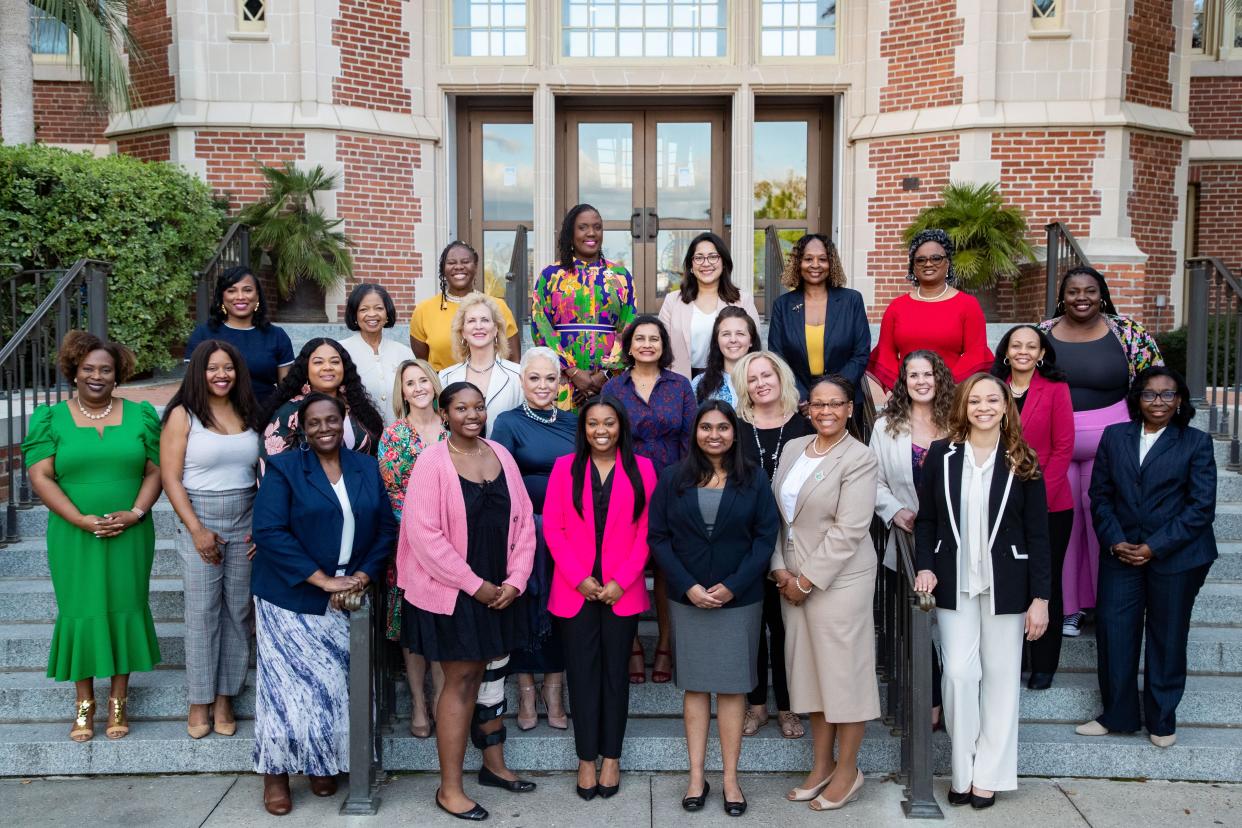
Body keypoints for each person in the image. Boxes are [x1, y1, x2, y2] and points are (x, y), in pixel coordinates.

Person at [250, 394, 398, 816]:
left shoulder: (366, 467)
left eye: (331, 420)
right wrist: (323, 580)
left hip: (347, 598)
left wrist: (364, 575)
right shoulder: (285, 469)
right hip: (290, 597)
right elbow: (270, 531)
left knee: (332, 689)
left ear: (343, 420)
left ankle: (321, 764)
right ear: (302, 426)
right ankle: (275, 776)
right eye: (314, 422)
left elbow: (386, 528)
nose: (324, 428)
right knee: (283, 693)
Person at [397, 382, 538, 821]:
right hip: (454, 591)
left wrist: (515, 580)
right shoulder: (432, 461)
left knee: (494, 675)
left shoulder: (501, 454)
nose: (472, 414)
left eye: (478, 407)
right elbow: (423, 534)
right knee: (461, 681)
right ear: (444, 413)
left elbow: (524, 522)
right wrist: (473, 584)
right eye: (461, 408)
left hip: (501, 589)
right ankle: (450, 789)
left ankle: (494, 767)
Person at [913, 373, 1051, 810]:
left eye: (993, 399)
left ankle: (988, 775)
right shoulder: (941, 454)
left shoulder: (1022, 458)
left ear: (1005, 406)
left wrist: (1041, 598)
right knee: (957, 674)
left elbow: (1040, 535)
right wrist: (925, 566)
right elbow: (928, 520)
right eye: (976, 400)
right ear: (964, 407)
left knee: (1001, 679)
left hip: (1008, 585)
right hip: (955, 583)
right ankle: (962, 769)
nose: (984, 407)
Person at [22, 331, 163, 743]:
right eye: (89, 369)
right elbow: (40, 475)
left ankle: (119, 699)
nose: (97, 376)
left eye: (106, 369)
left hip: (130, 531)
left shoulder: (141, 416)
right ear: (74, 371)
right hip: (73, 533)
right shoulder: (50, 418)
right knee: (80, 611)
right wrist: (80, 519)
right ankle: (84, 704)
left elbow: (155, 470)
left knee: (125, 605)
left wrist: (137, 513)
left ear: (118, 375)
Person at [649, 400, 780, 817]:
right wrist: (687, 586)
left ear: (734, 433)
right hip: (687, 600)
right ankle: (695, 776)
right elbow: (658, 538)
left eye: (722, 428)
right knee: (695, 687)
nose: (714, 435)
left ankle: (729, 779)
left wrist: (733, 586)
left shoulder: (755, 479)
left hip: (738, 600)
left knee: (731, 688)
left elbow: (765, 538)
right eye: (706, 427)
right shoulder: (673, 478)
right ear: (695, 433)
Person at [1077, 367, 1216, 749]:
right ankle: (1118, 715)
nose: (1159, 402)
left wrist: (1154, 546)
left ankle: (1161, 718)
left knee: (1167, 635)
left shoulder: (1196, 443)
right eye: (1150, 394)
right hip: (1120, 550)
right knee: (1114, 631)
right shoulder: (1115, 436)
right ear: (1137, 399)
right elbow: (1100, 496)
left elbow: (1200, 508)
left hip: (1177, 556)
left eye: (1167, 395)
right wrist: (1115, 539)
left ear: (1180, 400)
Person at [770, 376, 880, 812]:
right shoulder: (795, 448)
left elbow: (850, 528)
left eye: (836, 403)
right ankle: (820, 766)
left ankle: (849, 771)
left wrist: (806, 580)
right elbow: (779, 514)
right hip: (792, 578)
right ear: (807, 409)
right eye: (818, 404)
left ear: (850, 409)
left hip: (839, 581)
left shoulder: (859, 458)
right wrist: (779, 567)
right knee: (811, 675)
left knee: (844, 676)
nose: (827, 411)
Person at [1038, 266, 1163, 638]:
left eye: (1090, 291)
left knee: (1104, 518)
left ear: (1102, 294)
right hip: (1055, 444)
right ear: (1062, 296)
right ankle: (1069, 608)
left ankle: (1107, 602)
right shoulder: (1043, 333)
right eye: (1073, 291)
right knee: (1065, 520)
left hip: (1112, 443)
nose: (1082, 298)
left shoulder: (1127, 331)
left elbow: (1155, 380)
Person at [543, 396, 657, 800]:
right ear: (583, 429)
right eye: (593, 423)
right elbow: (554, 531)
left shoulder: (642, 469)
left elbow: (647, 532)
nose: (601, 430)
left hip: (619, 593)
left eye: (609, 422)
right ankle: (586, 759)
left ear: (621, 426)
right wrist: (580, 579)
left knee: (614, 676)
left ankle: (612, 757)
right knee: (583, 676)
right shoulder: (564, 469)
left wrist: (622, 581)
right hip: (575, 592)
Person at [160, 340, 260, 739]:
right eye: (212, 368)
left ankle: (225, 698)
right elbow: (170, 477)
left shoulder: (249, 411)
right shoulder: (183, 415)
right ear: (198, 372)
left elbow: (261, 469)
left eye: (228, 368)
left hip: (246, 515)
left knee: (238, 611)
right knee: (202, 612)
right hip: (198, 514)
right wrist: (197, 530)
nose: (221, 375)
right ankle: (198, 700)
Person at [602, 315, 696, 685]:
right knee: (627, 567)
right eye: (639, 338)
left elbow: (691, 439)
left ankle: (665, 648)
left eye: (653, 339)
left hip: (673, 485)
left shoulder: (680, 386)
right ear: (628, 346)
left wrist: (690, 485)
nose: (646, 344)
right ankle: (633, 648)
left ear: (663, 345)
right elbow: (604, 435)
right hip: (624, 486)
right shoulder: (614, 388)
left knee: (668, 570)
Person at [490, 347, 578, 732]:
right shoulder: (507, 423)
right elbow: (500, 480)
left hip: (569, 531)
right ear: (522, 381)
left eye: (550, 378)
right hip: (522, 531)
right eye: (534, 378)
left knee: (561, 606)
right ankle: (526, 690)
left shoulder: (576, 423)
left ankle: (554, 689)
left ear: (560, 383)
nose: (543, 385)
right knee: (525, 607)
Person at [731, 351, 814, 740]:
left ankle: (788, 707)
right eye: (752, 378)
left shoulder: (805, 424)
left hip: (795, 539)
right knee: (751, 626)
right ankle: (757, 705)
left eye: (767, 374)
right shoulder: (736, 426)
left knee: (786, 628)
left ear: (780, 377)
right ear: (743, 386)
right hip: (746, 540)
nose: (761, 382)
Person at [869, 350, 954, 725]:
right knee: (914, 625)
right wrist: (893, 510)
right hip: (907, 539)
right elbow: (872, 478)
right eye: (913, 375)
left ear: (940, 379)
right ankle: (931, 704)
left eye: (928, 373)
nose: (921, 381)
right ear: (903, 383)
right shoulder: (886, 425)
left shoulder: (958, 420)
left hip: (955, 539)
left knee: (952, 627)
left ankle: (957, 704)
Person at [991, 325, 1075, 689]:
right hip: (998, 502)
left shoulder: (1056, 390)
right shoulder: (990, 389)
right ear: (1006, 351)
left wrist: (1037, 497)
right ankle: (1013, 659)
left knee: (1045, 581)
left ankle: (1043, 664)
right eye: (1016, 345)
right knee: (1008, 580)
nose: (1024, 351)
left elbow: (1063, 448)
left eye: (1032, 346)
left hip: (1051, 503)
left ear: (1042, 353)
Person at [377, 358, 448, 739]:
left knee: (440, 624)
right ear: (401, 392)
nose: (418, 387)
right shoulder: (393, 436)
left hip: (453, 545)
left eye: (424, 379)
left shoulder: (453, 427)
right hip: (408, 544)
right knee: (411, 624)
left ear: (434, 384)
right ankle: (419, 704)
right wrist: (423, 533)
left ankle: (441, 698)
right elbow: (392, 493)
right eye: (410, 383)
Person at [532, 203, 638, 411]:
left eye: (597, 227)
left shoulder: (620, 275)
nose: (591, 233)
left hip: (610, 383)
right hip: (561, 380)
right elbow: (540, 325)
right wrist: (573, 372)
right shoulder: (551, 275)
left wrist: (604, 376)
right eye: (583, 227)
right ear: (571, 233)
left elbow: (629, 327)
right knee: (564, 439)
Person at [867, 229, 994, 390]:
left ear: (947, 263)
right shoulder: (897, 307)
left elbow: (975, 352)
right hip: (907, 394)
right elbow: (885, 352)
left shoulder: (968, 305)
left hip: (952, 393)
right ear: (913, 266)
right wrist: (902, 386)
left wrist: (946, 386)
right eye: (920, 260)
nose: (928, 263)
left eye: (936, 258)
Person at [766, 233, 871, 406]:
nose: (815, 265)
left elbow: (860, 354)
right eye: (808, 259)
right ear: (798, 263)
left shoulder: (851, 300)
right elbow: (777, 356)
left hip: (843, 400)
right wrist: (801, 396)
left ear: (831, 263)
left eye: (822, 259)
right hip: (799, 402)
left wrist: (831, 393)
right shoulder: (782, 305)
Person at [259, 338, 384, 464]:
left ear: (344, 368)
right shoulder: (290, 412)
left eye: (335, 362)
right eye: (318, 362)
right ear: (306, 370)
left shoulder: (358, 406)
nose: (328, 367)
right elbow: (272, 466)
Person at [185, 265, 294, 405]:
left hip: (266, 416)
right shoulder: (203, 334)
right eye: (231, 291)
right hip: (215, 416)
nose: (240, 297)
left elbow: (286, 390)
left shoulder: (276, 335)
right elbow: (192, 386)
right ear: (222, 297)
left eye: (247, 290)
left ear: (257, 295)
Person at [658, 231, 760, 378]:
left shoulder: (743, 300)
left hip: (731, 381)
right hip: (681, 382)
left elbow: (754, 348)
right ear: (691, 265)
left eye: (713, 257)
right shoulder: (672, 301)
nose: (706, 263)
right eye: (699, 258)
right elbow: (661, 345)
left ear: (723, 262)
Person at [409, 241, 521, 371]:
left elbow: (514, 360)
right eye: (451, 263)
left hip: (490, 388)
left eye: (465, 261)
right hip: (442, 389)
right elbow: (423, 365)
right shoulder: (424, 311)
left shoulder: (497, 307)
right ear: (443, 269)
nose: (459, 267)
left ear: (475, 266)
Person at [438, 291, 523, 437]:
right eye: (471, 321)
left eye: (485, 320)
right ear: (463, 331)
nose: (478, 326)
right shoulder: (445, 377)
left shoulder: (518, 375)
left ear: (496, 329)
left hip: (506, 457)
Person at [340, 283, 415, 426]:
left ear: (387, 313)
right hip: (359, 440)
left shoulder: (404, 353)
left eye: (379, 308)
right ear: (354, 315)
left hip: (399, 439)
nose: (372, 314)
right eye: (364, 309)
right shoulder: (340, 351)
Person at [690, 306, 761, 405]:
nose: (733, 340)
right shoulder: (699, 383)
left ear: (751, 340)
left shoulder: (764, 381)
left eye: (740, 333)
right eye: (726, 334)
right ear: (717, 341)